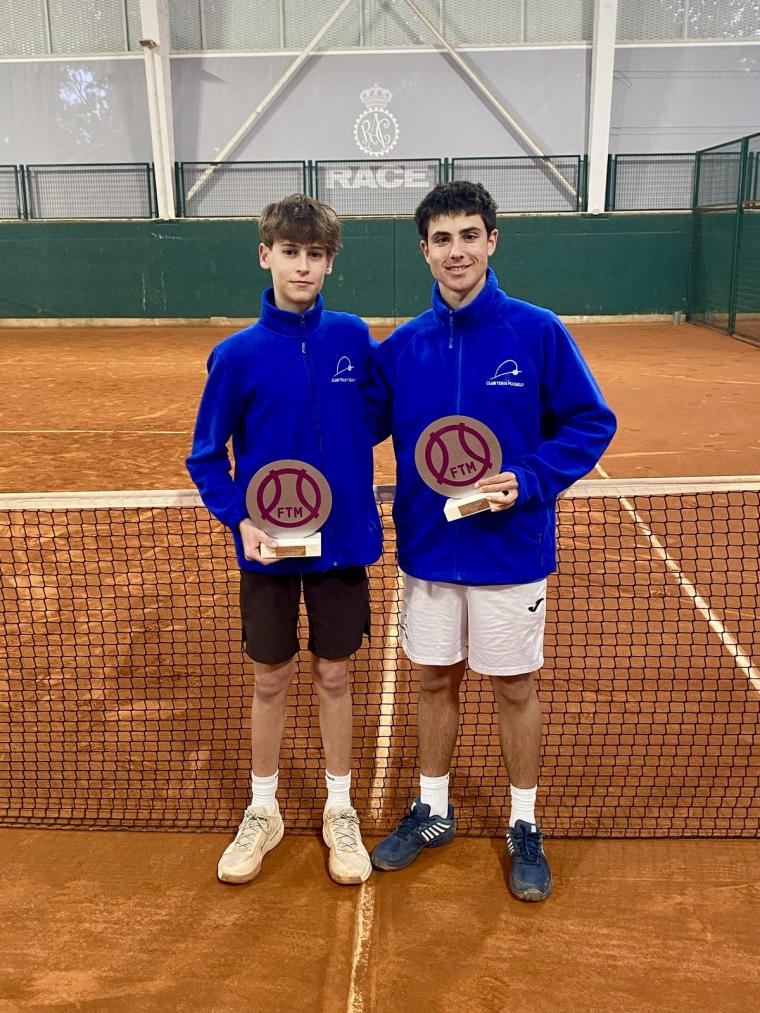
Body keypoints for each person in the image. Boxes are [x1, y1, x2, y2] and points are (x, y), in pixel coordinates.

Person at [366, 181, 616, 901]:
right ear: (425, 250)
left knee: (514, 685)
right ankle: (434, 809)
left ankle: (524, 823)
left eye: (469, 235)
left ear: (492, 240)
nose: (457, 251)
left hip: (511, 549)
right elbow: (356, 428)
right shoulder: (404, 346)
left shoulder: (536, 331)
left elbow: (590, 422)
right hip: (430, 552)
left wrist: (530, 477)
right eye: (442, 239)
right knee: (435, 676)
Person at [187, 194, 381, 886]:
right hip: (267, 547)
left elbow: (380, 415)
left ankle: (338, 808)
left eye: (317, 254)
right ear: (266, 253)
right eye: (291, 251)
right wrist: (241, 519)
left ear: (331, 261)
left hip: (343, 545)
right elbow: (207, 456)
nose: (304, 265)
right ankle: (263, 808)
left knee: (335, 673)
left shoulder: (355, 339)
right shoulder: (235, 355)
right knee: (270, 677)